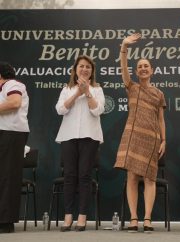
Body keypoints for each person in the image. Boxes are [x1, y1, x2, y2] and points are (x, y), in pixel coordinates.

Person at [114, 33, 166, 233]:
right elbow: (123, 68)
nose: (143, 68)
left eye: (146, 66)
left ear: (151, 70)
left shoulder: (159, 94)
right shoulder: (131, 87)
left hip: (152, 139)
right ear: (136, 72)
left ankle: (147, 219)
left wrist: (164, 140)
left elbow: (161, 119)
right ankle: (134, 218)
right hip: (133, 137)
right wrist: (124, 47)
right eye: (140, 67)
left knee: (150, 179)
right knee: (133, 177)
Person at [55, 55, 105, 232]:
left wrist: (87, 92)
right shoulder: (67, 89)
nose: (85, 69)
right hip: (68, 136)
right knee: (69, 176)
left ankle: (82, 217)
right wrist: (77, 93)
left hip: (90, 137)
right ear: (75, 69)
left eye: (88, 67)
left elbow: (98, 110)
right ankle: (68, 216)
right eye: (81, 66)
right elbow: (60, 109)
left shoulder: (97, 90)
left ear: (92, 71)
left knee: (84, 176)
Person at [0, 62, 29, 233]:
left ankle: (6, 222)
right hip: (5, 133)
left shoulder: (12, 84)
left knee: (7, 177)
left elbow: (14, 103)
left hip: (11, 134)